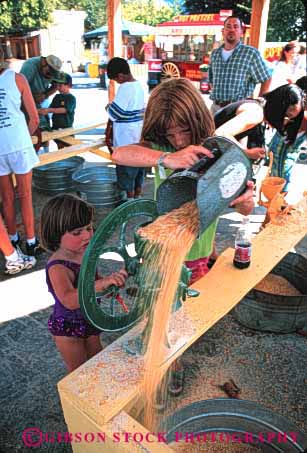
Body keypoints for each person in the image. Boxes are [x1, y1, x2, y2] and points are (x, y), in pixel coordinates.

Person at [112, 78, 255, 396]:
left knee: (184, 317)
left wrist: (245, 200)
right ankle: (168, 364)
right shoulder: (164, 149)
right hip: (161, 251)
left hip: (198, 255)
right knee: (160, 309)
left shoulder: (218, 153)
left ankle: (173, 356)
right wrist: (166, 158)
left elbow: (247, 209)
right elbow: (120, 153)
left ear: (197, 120)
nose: (176, 139)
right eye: (169, 133)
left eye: (183, 131)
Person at [40, 194, 128, 373]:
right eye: (77, 232)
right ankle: (80, 399)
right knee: (79, 371)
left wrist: (106, 287)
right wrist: (100, 284)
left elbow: (93, 281)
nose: (87, 235)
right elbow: (69, 300)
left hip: (89, 317)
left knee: (97, 360)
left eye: (89, 228)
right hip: (68, 328)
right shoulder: (58, 267)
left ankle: (100, 395)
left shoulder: (85, 253)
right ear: (56, 234)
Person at [0, 48, 42, 257]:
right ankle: (32, 242)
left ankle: (13, 239)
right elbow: (34, 119)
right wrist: (23, 138)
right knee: (25, 195)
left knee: (6, 198)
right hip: (18, 144)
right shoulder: (17, 79)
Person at [208, 15, 272, 115]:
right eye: (228, 26)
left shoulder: (250, 53)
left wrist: (259, 102)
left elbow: (266, 78)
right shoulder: (215, 54)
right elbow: (211, 80)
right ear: (223, 31)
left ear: (241, 32)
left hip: (238, 109)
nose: (232, 29)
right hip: (215, 108)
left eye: (236, 26)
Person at [106, 57, 145, 199]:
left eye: (116, 79)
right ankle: (137, 196)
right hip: (138, 136)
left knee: (126, 172)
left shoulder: (125, 88)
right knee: (139, 170)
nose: (117, 82)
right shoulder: (140, 85)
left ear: (121, 76)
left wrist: (108, 107)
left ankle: (128, 200)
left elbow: (114, 114)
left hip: (125, 140)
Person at [20, 54, 62, 151]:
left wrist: (45, 95)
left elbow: (56, 86)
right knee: (31, 127)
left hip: (39, 99)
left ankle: (44, 153)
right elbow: (19, 89)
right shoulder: (29, 66)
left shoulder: (52, 71)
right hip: (23, 99)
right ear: (44, 64)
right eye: (48, 73)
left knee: (44, 128)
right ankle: (30, 153)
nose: (50, 76)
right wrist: (31, 98)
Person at [37, 73, 76, 149]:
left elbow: (64, 110)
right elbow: (50, 108)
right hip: (56, 127)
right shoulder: (56, 97)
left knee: (69, 147)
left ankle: (69, 160)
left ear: (68, 85)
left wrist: (49, 110)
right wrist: (42, 111)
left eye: (60, 85)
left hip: (66, 128)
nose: (58, 88)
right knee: (60, 146)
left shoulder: (71, 98)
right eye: (57, 85)